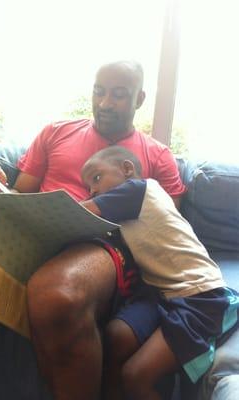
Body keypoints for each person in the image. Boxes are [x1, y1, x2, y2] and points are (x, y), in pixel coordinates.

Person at [0, 60, 186, 400]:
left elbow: (168, 226)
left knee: (56, 295)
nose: (104, 104)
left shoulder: (156, 156)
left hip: (104, 246)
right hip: (30, 234)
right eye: (99, 92)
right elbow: (22, 193)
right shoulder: (56, 131)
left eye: (118, 95)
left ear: (139, 99)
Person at [80, 145, 239, 400]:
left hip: (200, 295)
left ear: (127, 169)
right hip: (161, 292)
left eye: (97, 178)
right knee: (115, 335)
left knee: (135, 376)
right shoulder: (126, 211)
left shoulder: (138, 189)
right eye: (89, 187)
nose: (93, 190)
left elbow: (79, 213)